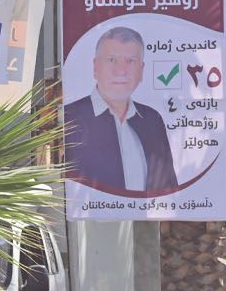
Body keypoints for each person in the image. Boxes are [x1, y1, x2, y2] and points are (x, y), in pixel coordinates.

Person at [63, 26, 178, 194]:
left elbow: (168, 189)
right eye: (111, 60)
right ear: (95, 67)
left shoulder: (152, 120)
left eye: (130, 61)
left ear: (141, 70)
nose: (121, 70)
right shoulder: (68, 118)